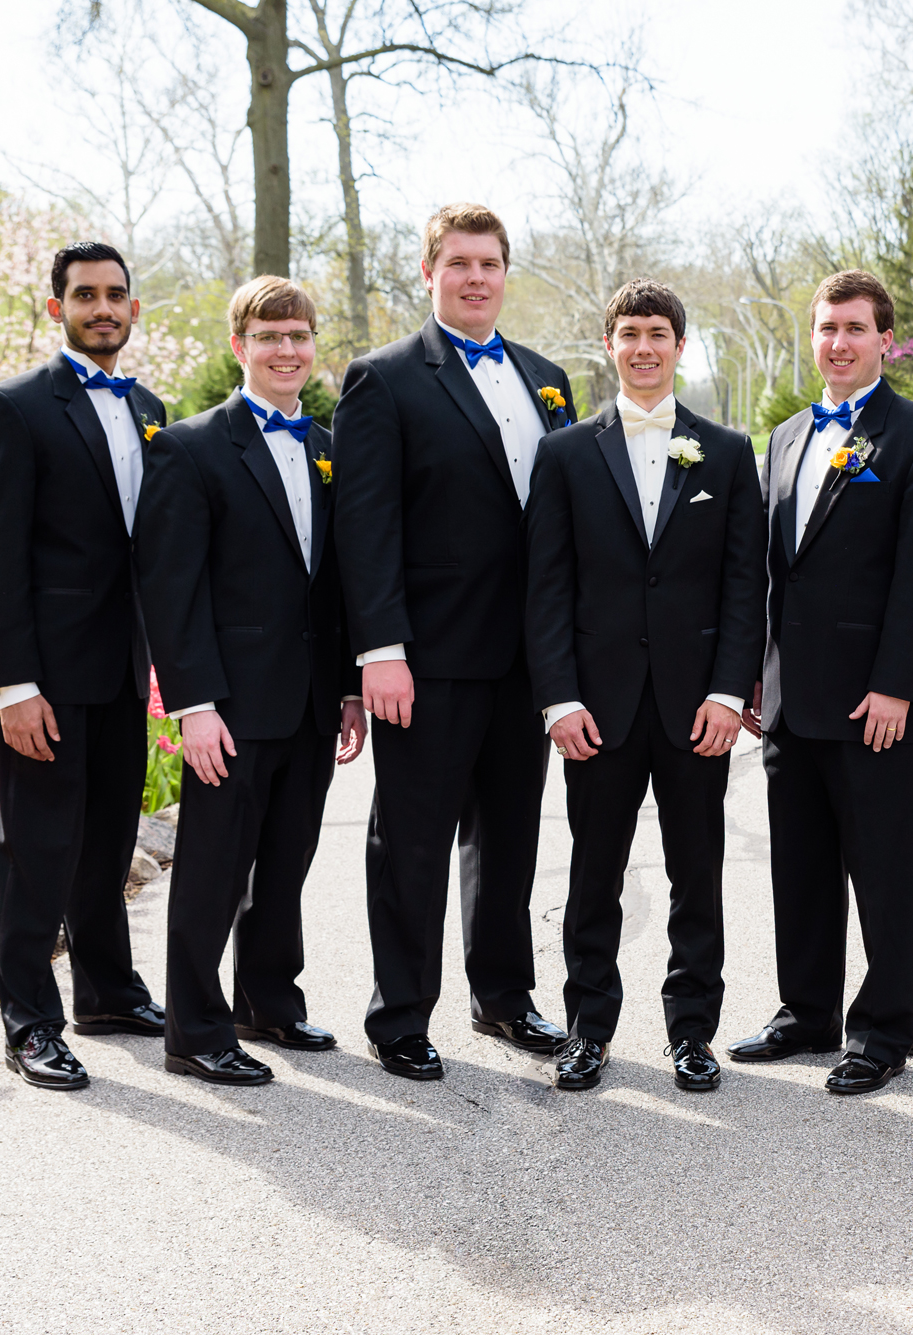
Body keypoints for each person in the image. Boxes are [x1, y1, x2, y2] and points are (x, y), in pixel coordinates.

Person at [333, 204, 576, 1081]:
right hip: (424, 662)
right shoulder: (385, 379)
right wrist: (380, 650)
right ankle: (399, 1013)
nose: (477, 277)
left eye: (491, 263)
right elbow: (365, 527)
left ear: (507, 272)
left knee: (509, 839)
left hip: (527, 662)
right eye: (459, 263)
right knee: (412, 842)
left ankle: (505, 998)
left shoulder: (548, 379)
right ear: (430, 272)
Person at [728, 270, 913, 1096]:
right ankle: (806, 1012)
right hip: (791, 696)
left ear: (885, 339)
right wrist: (754, 675)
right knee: (799, 863)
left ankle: (880, 1029)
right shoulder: (787, 435)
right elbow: (768, 570)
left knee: (882, 866)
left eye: (855, 328)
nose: (838, 341)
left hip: (876, 698)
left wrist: (901, 685)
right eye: (827, 327)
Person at [525, 280, 766, 1093]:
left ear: (679, 345)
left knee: (696, 874)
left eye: (658, 332)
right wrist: (559, 698)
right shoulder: (563, 454)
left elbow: (745, 585)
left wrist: (730, 692)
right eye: (629, 332)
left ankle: (692, 1030)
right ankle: (589, 1029)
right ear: (610, 345)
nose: (644, 346)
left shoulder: (727, 453)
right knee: (593, 874)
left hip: (696, 705)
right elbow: (546, 587)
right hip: (598, 706)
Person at [135, 276, 367, 1086]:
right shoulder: (189, 447)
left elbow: (336, 582)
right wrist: (194, 704)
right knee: (212, 867)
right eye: (269, 337)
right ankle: (194, 1031)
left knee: (287, 858)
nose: (286, 351)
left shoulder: (330, 444)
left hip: (308, 701)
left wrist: (346, 689)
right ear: (239, 346)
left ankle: (267, 1001)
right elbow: (171, 590)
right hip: (228, 703)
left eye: (299, 336)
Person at [0, 241, 167, 1091]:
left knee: (108, 840)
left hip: (125, 669)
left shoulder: (151, 407)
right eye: (85, 295)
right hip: (45, 676)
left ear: (131, 307)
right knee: (36, 847)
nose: (103, 308)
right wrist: (14, 686)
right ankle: (29, 1021)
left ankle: (108, 991)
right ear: (57, 308)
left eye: (116, 295)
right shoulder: (15, 406)